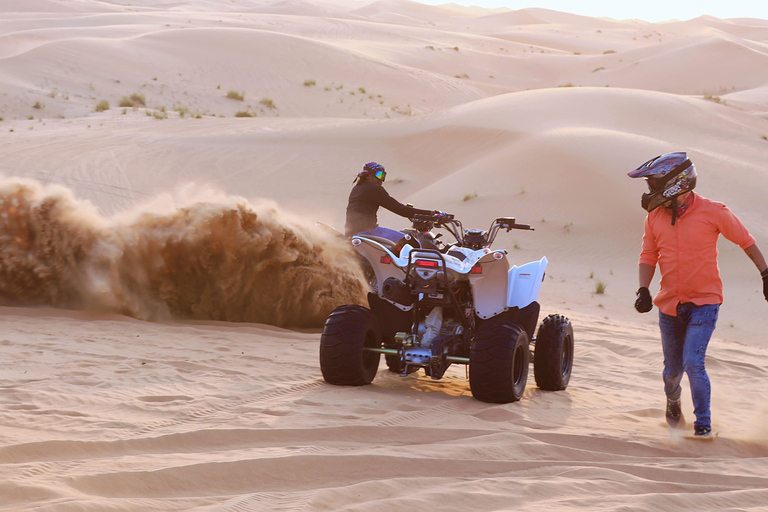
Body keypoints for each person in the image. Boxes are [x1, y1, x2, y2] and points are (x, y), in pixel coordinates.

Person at [628, 152, 768, 438]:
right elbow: (648, 255)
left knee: (694, 362)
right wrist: (643, 288)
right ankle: (673, 401)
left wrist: (765, 274)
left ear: (674, 183)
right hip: (669, 305)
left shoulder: (714, 211)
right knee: (671, 374)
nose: (649, 192)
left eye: (653, 184)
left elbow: (746, 241)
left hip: (705, 302)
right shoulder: (654, 218)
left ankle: (703, 425)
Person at [345, 162, 440, 242]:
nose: (381, 179)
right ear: (368, 176)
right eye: (378, 175)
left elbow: (393, 204)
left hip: (352, 233)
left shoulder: (357, 189)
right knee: (410, 241)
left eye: (383, 175)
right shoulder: (374, 189)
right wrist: (431, 214)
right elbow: (401, 211)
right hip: (369, 232)